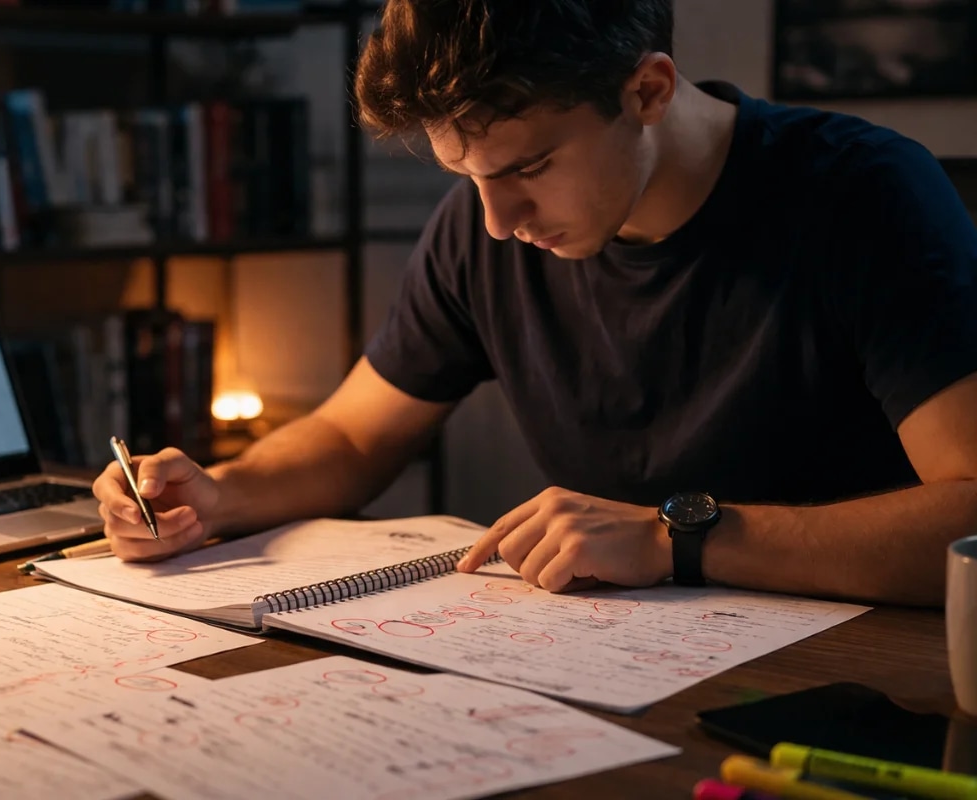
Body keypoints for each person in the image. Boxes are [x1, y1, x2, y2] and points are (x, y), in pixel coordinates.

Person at [93, 0, 977, 607]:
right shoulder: (481, 228)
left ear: (649, 91)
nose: (498, 220)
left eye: (526, 168)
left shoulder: (865, 194)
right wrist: (217, 497)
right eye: (466, 178)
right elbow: (354, 436)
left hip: (857, 686)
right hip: (614, 672)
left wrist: (678, 539)